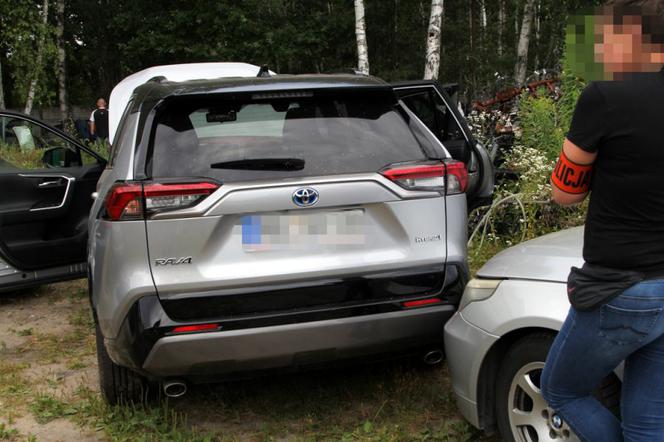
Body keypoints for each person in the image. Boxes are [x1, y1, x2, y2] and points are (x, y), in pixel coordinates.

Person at [541, 1, 664, 441]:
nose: (600, 48)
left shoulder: (605, 96)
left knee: (560, 388)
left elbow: (565, 192)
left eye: (605, 37)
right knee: (649, 424)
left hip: (620, 290)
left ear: (632, 36)